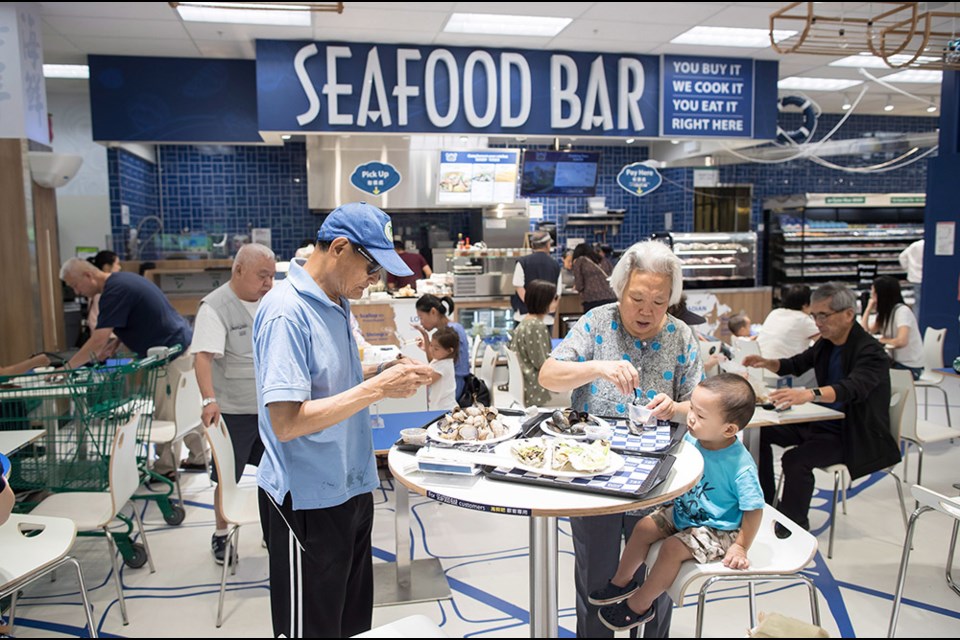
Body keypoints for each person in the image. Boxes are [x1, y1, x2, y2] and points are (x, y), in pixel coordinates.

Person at [253, 202, 434, 638]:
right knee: (312, 627)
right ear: (339, 247)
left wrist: (384, 369)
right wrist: (377, 390)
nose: (374, 282)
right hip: (307, 500)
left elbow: (331, 378)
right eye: (371, 269)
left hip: (351, 485)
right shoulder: (286, 312)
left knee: (350, 623)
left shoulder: (335, 302)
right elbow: (286, 422)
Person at [539, 239, 704, 639]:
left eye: (659, 301)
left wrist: (676, 408)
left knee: (657, 573)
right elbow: (548, 374)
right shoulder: (597, 322)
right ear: (620, 289)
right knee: (597, 573)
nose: (647, 310)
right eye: (637, 298)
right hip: (593, 472)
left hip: (660, 473)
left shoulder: (681, 336)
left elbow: (700, 407)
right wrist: (597, 367)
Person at [593, 374, 763, 632]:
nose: (691, 417)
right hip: (687, 512)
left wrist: (740, 547)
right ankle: (621, 581)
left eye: (701, 415)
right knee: (644, 527)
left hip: (719, 528)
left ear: (729, 429)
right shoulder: (695, 438)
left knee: (672, 548)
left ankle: (639, 606)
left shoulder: (741, 466)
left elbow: (754, 509)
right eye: (691, 408)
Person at [743, 282, 901, 533]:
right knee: (760, 434)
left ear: (848, 314)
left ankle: (793, 526)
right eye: (814, 315)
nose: (817, 322)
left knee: (795, 460)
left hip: (853, 434)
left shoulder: (870, 351)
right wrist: (766, 362)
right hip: (822, 424)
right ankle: (767, 504)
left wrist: (809, 394)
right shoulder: (827, 344)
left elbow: (853, 387)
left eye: (823, 316)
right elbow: (797, 363)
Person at [59, 257, 202, 477]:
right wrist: (118, 342)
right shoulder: (122, 281)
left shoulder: (113, 292)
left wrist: (66, 368)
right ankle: (199, 457)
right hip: (181, 345)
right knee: (186, 409)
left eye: (75, 285)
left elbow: (97, 340)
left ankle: (165, 469)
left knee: (169, 412)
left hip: (170, 353)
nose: (77, 291)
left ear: (88, 276)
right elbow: (137, 317)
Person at [191, 243, 276, 565]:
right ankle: (221, 534)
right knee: (227, 477)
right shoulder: (215, 307)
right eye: (262, 276)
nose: (268, 283)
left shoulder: (272, 301)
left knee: (276, 473)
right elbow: (203, 357)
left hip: (271, 409)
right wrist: (209, 400)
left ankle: (274, 532)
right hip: (234, 411)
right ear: (238, 271)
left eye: (271, 275)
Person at [860, 275, 924, 380]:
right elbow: (866, 332)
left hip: (909, 368)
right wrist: (868, 309)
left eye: (874, 294)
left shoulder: (902, 311)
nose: (872, 298)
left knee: (869, 374)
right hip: (895, 362)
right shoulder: (886, 313)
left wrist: (881, 340)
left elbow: (902, 341)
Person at [509, 279, 559, 407]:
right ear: (544, 301)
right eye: (554, 298)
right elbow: (542, 363)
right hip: (535, 388)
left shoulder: (526, 321)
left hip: (524, 385)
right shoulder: (536, 327)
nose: (557, 301)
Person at [413, 295, 470, 400]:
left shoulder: (451, 332)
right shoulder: (452, 328)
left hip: (454, 385)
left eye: (421, 317)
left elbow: (433, 361)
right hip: (454, 380)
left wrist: (425, 337)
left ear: (433, 312)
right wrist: (427, 347)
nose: (421, 322)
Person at [512, 231, 561, 324]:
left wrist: (532, 307)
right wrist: (549, 308)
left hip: (524, 317)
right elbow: (557, 293)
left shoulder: (523, 262)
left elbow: (518, 286)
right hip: (546, 318)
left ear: (532, 246)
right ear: (547, 245)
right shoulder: (555, 265)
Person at [572, 244, 617, 313]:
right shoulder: (604, 260)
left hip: (592, 300)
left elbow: (579, 286)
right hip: (611, 298)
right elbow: (613, 275)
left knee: (594, 323)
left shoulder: (579, 261)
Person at [424, 326, 459, 410]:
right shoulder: (439, 360)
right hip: (438, 406)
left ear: (449, 351)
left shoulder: (444, 365)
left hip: (445, 408)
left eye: (436, 348)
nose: (431, 349)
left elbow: (428, 380)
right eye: (431, 345)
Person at [86, 250, 122, 331]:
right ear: (106, 267)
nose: (120, 267)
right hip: (107, 335)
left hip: (101, 333)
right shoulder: (103, 288)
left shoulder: (96, 285)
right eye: (117, 264)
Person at [898, 239, 924, 316]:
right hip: (928, 278)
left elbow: (902, 257)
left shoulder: (915, 245)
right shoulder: (931, 245)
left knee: (918, 302)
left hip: (915, 277)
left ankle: (917, 321)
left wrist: (907, 269)